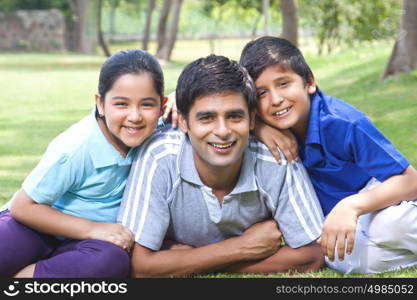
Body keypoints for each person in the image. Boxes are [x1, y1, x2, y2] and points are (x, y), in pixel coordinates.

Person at [118, 54, 324, 277]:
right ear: (184, 122)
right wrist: (241, 248)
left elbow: (312, 253)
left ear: (252, 120)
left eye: (234, 117)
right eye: (206, 118)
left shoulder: (275, 157)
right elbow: (140, 266)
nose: (223, 131)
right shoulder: (160, 157)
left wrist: (188, 261)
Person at [240, 36, 417, 274]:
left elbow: (410, 180)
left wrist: (351, 206)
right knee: (345, 258)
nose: (276, 99)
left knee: (393, 225)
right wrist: (259, 128)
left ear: (309, 82)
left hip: (374, 200)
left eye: (283, 84)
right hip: (333, 224)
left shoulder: (342, 122)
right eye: (261, 93)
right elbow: (214, 94)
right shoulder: (260, 128)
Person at [0, 49, 164, 278]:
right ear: (100, 103)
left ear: (162, 107)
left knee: (112, 260)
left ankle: (26, 276)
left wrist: (179, 99)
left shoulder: (159, 134)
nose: (135, 116)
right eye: (121, 104)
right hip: (32, 227)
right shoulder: (78, 146)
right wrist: (92, 228)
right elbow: (22, 206)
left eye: (147, 105)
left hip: (87, 244)